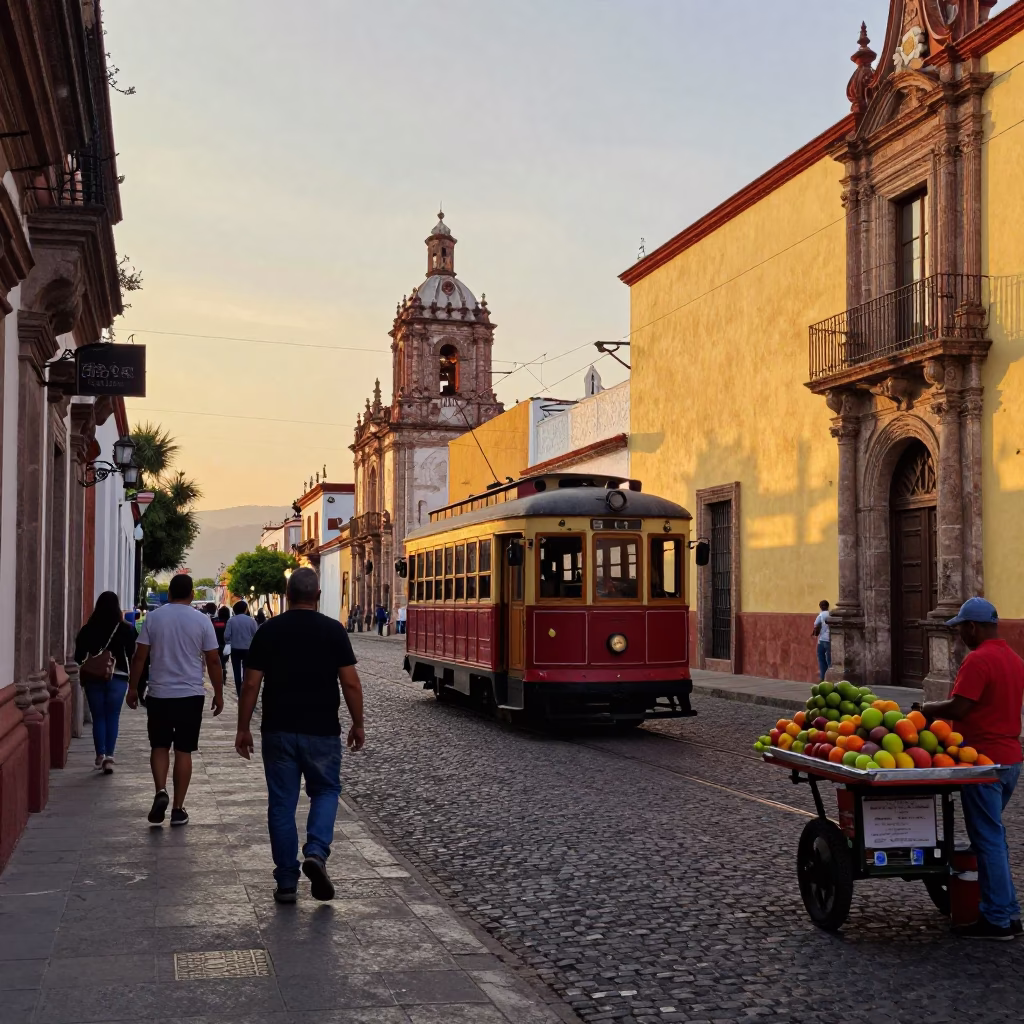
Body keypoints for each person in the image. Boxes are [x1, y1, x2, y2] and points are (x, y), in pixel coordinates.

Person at [234, 567, 364, 904]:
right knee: (325, 790)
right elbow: (350, 682)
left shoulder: (268, 631)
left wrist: (243, 727)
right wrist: (357, 722)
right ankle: (317, 852)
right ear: (318, 597)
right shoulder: (333, 631)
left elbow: (251, 683)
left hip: (278, 729)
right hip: (322, 730)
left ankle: (288, 883)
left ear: (287, 596)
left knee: (281, 804)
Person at [923, 597, 1024, 941]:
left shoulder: (978, 660)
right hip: (1011, 759)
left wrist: (928, 708)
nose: (960, 635)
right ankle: (1009, 913)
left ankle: (996, 920)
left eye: (961, 628)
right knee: (993, 837)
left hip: (983, 762)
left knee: (988, 841)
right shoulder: (1013, 659)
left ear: (973, 626)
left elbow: (960, 707)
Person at [127, 574, 224, 826]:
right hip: (190, 695)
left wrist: (133, 689)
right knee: (184, 750)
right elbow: (213, 660)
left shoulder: (154, 618)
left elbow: (140, 657)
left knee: (159, 746)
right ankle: (178, 808)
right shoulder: (202, 620)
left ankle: (161, 791)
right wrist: (219, 693)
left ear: (168, 594)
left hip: (159, 693)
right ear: (192, 595)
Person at [74, 591, 137, 773]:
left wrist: (93, 659)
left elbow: (79, 657)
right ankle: (109, 756)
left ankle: (99, 754)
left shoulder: (88, 629)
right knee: (113, 716)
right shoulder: (126, 628)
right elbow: (133, 654)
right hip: (118, 677)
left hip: (94, 678)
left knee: (98, 717)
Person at [224, 600, 259, 697]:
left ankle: (239, 691)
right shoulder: (251, 621)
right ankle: (245, 690)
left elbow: (227, 636)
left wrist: (229, 642)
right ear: (245, 609)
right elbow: (256, 635)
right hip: (248, 649)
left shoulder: (231, 620)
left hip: (235, 649)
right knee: (246, 671)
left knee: (236, 671)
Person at [812, 600, 831, 682]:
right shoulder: (831, 614)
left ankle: (823, 678)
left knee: (821, 659)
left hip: (822, 639)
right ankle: (830, 677)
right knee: (830, 659)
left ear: (820, 607)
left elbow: (816, 624)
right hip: (830, 639)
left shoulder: (821, 615)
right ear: (828, 606)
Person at [214, 606, 230, 676]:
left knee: (219, 658)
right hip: (226, 644)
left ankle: (221, 669)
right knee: (224, 658)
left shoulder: (215, 621)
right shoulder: (229, 623)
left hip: (216, 643)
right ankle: (223, 669)